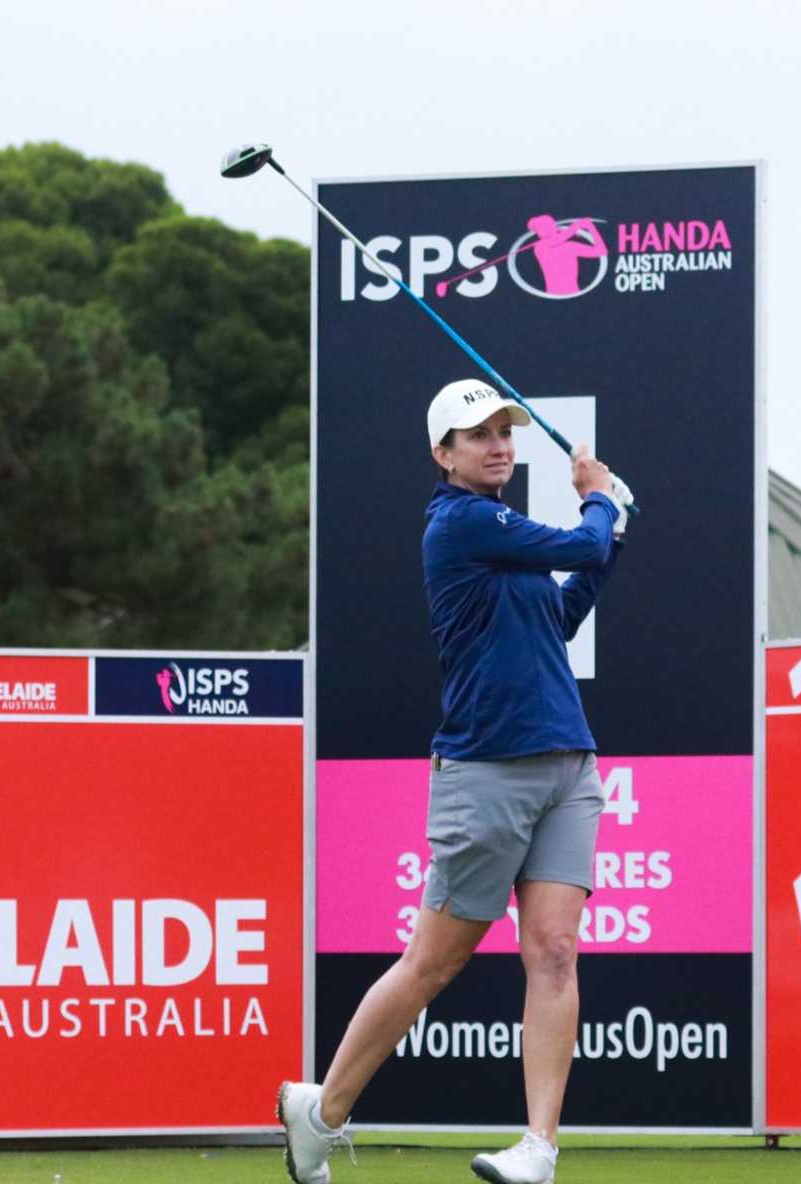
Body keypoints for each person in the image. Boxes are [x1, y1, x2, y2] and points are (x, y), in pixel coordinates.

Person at [280, 378, 633, 1184]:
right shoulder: (463, 523)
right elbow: (580, 544)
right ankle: (322, 1113)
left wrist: (617, 535)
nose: (499, 444)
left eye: (503, 431)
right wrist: (600, 503)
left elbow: (565, 609)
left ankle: (539, 1150)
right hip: (485, 769)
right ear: (443, 456)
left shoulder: (503, 540)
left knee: (553, 952)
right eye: (478, 436)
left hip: (567, 764)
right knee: (432, 964)